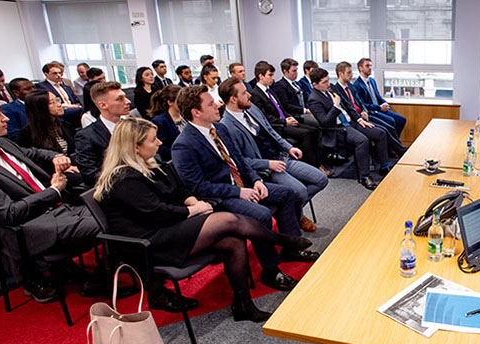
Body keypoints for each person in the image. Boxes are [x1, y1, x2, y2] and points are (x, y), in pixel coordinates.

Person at [95, 118, 313, 320]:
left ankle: (243, 304)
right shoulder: (123, 179)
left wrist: (190, 201)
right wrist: (193, 210)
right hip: (150, 242)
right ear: (135, 147)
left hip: (168, 226)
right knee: (228, 221)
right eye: (153, 140)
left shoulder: (149, 165)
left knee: (233, 242)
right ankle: (283, 241)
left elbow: (179, 188)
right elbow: (157, 212)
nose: (160, 142)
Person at [171, 85, 320, 291]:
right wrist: (239, 192)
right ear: (196, 113)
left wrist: (257, 180)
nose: (217, 105)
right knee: (261, 214)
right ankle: (271, 271)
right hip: (221, 197)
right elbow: (198, 186)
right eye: (210, 103)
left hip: (244, 185)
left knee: (287, 193)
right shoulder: (184, 144)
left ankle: (290, 248)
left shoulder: (219, 129)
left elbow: (240, 162)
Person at [0, 97, 99, 302]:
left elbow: (33, 152)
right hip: (31, 224)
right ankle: (100, 280)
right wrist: (53, 191)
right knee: (106, 223)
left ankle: (96, 278)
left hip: (57, 209)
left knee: (114, 211)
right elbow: (8, 213)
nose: (5, 118)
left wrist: (54, 157)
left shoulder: (3, 143)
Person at [218, 77, 328, 233]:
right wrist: (268, 164)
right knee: (300, 191)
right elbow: (240, 161)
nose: (249, 95)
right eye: (244, 93)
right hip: (265, 168)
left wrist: (289, 147)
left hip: (281, 157)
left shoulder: (251, 108)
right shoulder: (226, 127)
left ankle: (294, 212)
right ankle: (297, 215)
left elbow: (270, 131)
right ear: (233, 99)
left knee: (321, 179)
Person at [307, 68, 388, 190]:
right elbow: (325, 122)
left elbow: (349, 106)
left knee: (380, 133)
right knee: (362, 140)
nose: (328, 84)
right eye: (324, 82)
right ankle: (365, 176)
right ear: (315, 85)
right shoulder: (313, 99)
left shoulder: (330, 89)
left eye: (328, 80)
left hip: (351, 121)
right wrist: (335, 106)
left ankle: (384, 167)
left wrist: (360, 120)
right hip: (338, 129)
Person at [251, 61, 325, 174]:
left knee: (315, 130)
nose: (273, 78)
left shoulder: (269, 90)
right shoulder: (256, 94)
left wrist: (289, 117)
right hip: (277, 126)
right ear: (260, 76)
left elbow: (281, 108)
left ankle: (318, 162)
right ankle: (313, 166)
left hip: (284, 120)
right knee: (306, 133)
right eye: (270, 75)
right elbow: (265, 118)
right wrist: (285, 121)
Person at [332, 61, 406, 157]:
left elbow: (360, 102)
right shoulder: (338, 89)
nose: (351, 75)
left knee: (390, 126)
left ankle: (398, 150)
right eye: (348, 73)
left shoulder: (351, 86)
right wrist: (360, 116)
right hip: (357, 119)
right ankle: (397, 152)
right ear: (340, 74)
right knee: (384, 129)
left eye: (351, 72)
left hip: (364, 114)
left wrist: (364, 111)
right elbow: (349, 108)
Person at [75, 81, 131, 186]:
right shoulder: (87, 136)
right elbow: (91, 175)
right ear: (103, 105)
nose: (127, 101)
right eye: (120, 99)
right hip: (116, 187)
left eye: (125, 97)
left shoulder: (131, 126)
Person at [352, 58, 406, 137]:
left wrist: (384, 103)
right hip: (371, 112)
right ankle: (393, 146)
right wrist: (379, 107)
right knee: (391, 121)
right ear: (360, 68)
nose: (370, 68)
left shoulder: (372, 80)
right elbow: (363, 105)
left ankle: (395, 144)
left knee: (401, 120)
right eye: (367, 66)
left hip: (379, 109)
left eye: (370, 65)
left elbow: (378, 96)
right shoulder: (357, 85)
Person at [18, 90, 77, 158]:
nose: (59, 105)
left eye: (57, 100)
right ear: (39, 107)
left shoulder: (65, 125)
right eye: (52, 102)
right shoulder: (27, 133)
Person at [270, 58, 320, 128]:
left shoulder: (297, 84)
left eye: (296, 70)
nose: (296, 73)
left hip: (304, 113)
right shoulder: (280, 86)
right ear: (285, 71)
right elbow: (286, 105)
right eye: (294, 71)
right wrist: (304, 110)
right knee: (319, 122)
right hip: (295, 115)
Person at [149, 84, 185, 161]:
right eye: (180, 100)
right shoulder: (160, 122)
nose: (183, 102)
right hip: (175, 160)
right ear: (170, 102)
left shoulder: (186, 116)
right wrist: (183, 152)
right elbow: (161, 148)